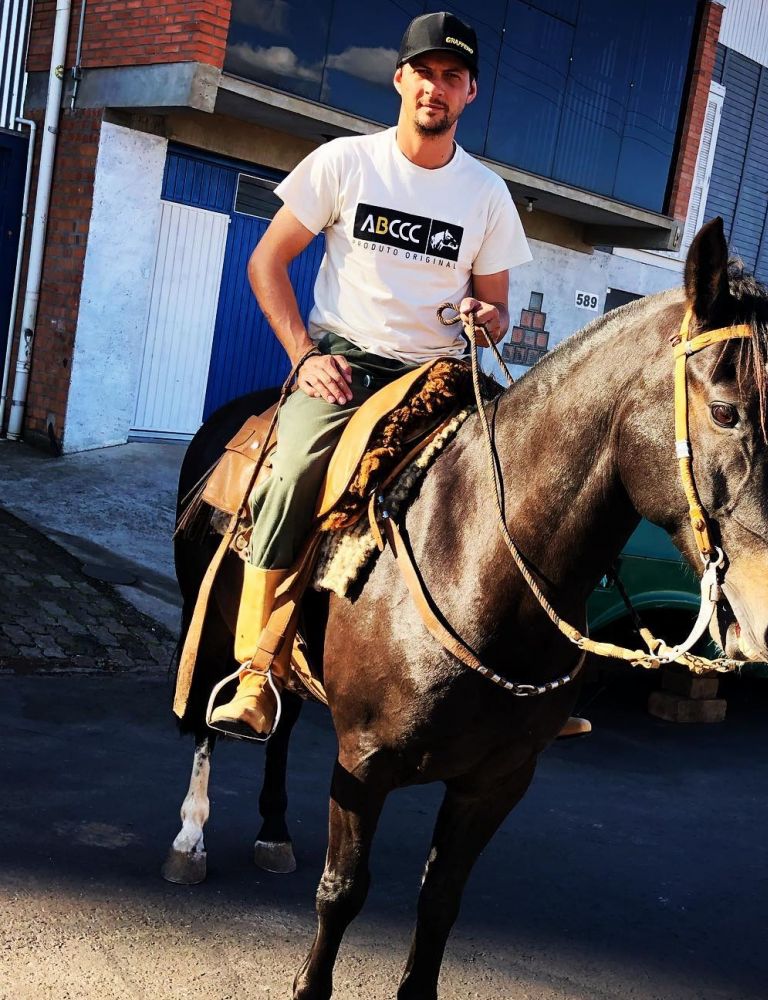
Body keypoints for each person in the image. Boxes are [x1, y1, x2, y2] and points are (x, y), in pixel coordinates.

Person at [208, 11, 533, 737]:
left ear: (470, 93)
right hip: (348, 367)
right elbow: (267, 262)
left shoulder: (486, 196)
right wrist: (304, 355)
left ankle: (524, 685)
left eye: (452, 76)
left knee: (529, 479)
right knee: (291, 471)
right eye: (425, 71)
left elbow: (500, 307)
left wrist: (488, 318)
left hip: (442, 374)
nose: (435, 87)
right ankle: (257, 672)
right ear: (400, 79)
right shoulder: (344, 163)